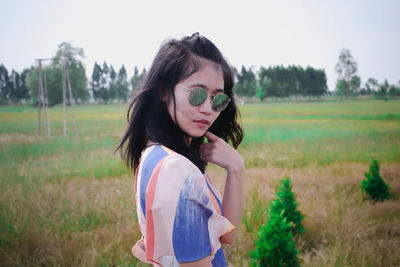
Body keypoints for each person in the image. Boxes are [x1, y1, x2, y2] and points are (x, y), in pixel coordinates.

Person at [117, 33, 244, 267]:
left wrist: (236, 168)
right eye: (197, 94)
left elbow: (227, 235)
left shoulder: (161, 155)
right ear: (165, 91)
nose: (208, 109)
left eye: (218, 100)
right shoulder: (176, 170)